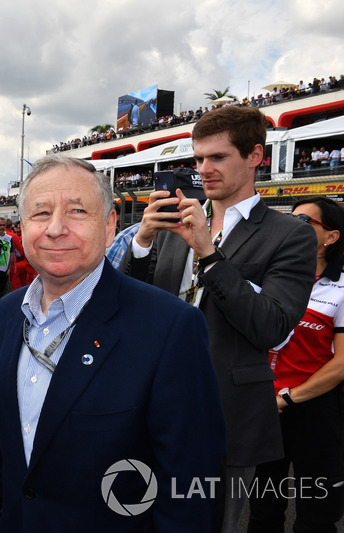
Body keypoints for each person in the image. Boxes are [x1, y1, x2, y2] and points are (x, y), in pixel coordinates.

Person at [0, 155, 225, 532]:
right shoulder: (8, 314)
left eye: (76, 211)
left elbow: (191, 485)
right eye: (41, 214)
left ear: (108, 227)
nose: (55, 228)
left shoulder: (170, 326)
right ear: (23, 227)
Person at [121, 105, 317, 533]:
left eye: (218, 157)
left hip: (229, 411)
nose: (204, 169)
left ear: (255, 157)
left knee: (209, 524)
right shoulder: (178, 221)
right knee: (135, 514)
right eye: (198, 158)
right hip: (153, 400)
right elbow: (129, 305)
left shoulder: (290, 234)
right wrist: (140, 243)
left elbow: (271, 325)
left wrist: (209, 254)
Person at [248, 197, 344, 532]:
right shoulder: (270, 274)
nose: (292, 225)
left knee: (316, 515)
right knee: (262, 508)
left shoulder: (342, 286)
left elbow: (342, 363)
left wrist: (288, 398)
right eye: (291, 218)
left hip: (313, 410)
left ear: (330, 237)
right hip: (264, 405)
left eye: (304, 222)